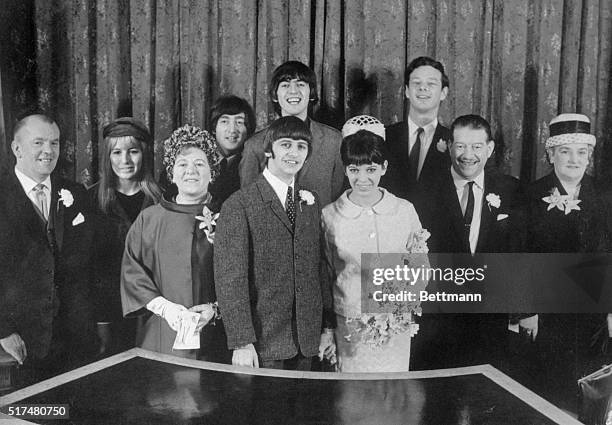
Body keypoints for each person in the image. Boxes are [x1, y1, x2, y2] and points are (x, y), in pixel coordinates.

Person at [215, 116, 334, 370]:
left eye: (302, 146)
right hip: (263, 344)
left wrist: (326, 327)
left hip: (308, 342)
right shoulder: (239, 204)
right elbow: (230, 280)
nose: (294, 153)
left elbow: (318, 267)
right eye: (286, 145)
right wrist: (242, 342)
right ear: (269, 150)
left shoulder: (309, 201)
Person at [416, 114, 524, 370]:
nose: (468, 155)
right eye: (461, 146)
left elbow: (519, 252)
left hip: (491, 320)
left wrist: (520, 312)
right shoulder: (425, 190)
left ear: (490, 148)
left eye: (477, 147)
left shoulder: (511, 190)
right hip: (440, 321)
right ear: (450, 146)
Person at [321, 115, 427, 372]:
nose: (363, 179)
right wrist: (328, 329)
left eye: (371, 170)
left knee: (392, 401)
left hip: (396, 325)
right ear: (345, 169)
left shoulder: (404, 211)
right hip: (350, 327)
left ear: (384, 167)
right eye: (354, 170)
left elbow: (420, 268)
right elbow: (326, 274)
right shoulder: (329, 215)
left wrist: (393, 309)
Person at [520, 113, 610, 413]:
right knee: (548, 390)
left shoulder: (605, 195)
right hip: (547, 314)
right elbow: (520, 256)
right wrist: (526, 311)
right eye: (565, 151)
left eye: (581, 152)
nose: (574, 160)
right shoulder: (530, 196)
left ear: (589, 156)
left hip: (592, 314)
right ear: (550, 154)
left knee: (591, 391)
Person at [0, 113, 98, 385]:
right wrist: (3, 330)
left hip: (77, 340)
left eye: (54, 143)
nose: (48, 151)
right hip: (22, 343)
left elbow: (90, 265)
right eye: (38, 143)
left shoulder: (76, 193)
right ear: (17, 148)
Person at [121, 124, 230, 362]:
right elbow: (132, 273)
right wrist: (165, 308)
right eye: (182, 164)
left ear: (212, 172)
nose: (191, 171)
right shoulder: (149, 220)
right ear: (171, 173)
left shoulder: (231, 217)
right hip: (162, 336)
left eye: (200, 164)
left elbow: (246, 276)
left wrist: (216, 309)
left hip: (216, 337)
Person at [89, 117, 162, 356]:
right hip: (108, 312)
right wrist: (100, 321)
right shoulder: (90, 200)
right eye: (116, 152)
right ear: (107, 157)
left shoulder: (162, 198)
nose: (125, 161)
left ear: (144, 154)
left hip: (154, 311)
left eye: (133, 151)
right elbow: (88, 269)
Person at [239, 60, 344, 206]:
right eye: (285, 85)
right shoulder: (254, 145)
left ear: (312, 93)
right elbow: (248, 201)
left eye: (301, 84)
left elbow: (336, 194)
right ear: (275, 95)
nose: (293, 91)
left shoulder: (333, 140)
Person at [381, 56, 451, 209]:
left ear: (443, 92)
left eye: (431, 84)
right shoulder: (383, 137)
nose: (423, 88)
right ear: (406, 91)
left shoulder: (454, 142)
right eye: (416, 83)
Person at [207, 95, 256, 208]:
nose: (232, 130)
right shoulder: (200, 158)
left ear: (248, 129)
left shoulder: (251, 164)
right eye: (224, 121)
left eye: (239, 122)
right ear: (214, 128)